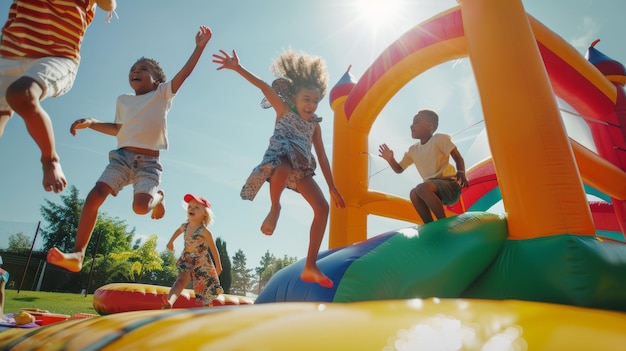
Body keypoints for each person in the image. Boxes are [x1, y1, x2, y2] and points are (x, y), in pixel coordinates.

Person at [46, 25, 213, 273]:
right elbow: (118, 128)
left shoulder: (162, 94)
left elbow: (184, 73)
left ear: (157, 80)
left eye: (143, 69)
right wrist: (91, 123)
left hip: (148, 163)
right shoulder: (123, 100)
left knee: (140, 208)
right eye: (133, 69)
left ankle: (160, 197)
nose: (136, 71)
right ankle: (78, 255)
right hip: (121, 158)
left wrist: (199, 47)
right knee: (95, 195)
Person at [212, 48, 346, 288]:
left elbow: (323, 158)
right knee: (282, 167)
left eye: (316, 100)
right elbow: (264, 86)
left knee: (323, 208)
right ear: (294, 97)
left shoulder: (315, 126)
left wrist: (333, 187)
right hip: (279, 158)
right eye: (307, 99)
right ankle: (275, 207)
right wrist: (237, 67)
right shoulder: (283, 109)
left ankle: (311, 265)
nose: (312, 105)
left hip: (302, 168)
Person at [0, 0, 118, 194]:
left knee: (22, 94)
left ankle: (50, 159)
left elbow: (109, 5)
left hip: (57, 58)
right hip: (11, 52)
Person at [378, 109, 469, 224]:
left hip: (450, 185)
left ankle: (443, 224)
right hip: (433, 191)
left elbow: (457, 157)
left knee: (421, 188)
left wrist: (461, 172)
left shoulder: (439, 139)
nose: (411, 126)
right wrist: (390, 159)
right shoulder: (413, 150)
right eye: (412, 123)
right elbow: (399, 169)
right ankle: (429, 225)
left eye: (416, 122)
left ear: (429, 126)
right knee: (413, 193)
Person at [162, 194, 223, 308]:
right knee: (180, 280)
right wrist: (170, 242)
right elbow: (177, 231)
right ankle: (170, 302)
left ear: (205, 213)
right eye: (190, 206)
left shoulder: (205, 231)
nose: (191, 209)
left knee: (205, 291)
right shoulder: (185, 226)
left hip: (201, 263)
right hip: (187, 258)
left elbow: (214, 249)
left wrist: (218, 267)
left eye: (196, 207)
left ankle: (207, 311)